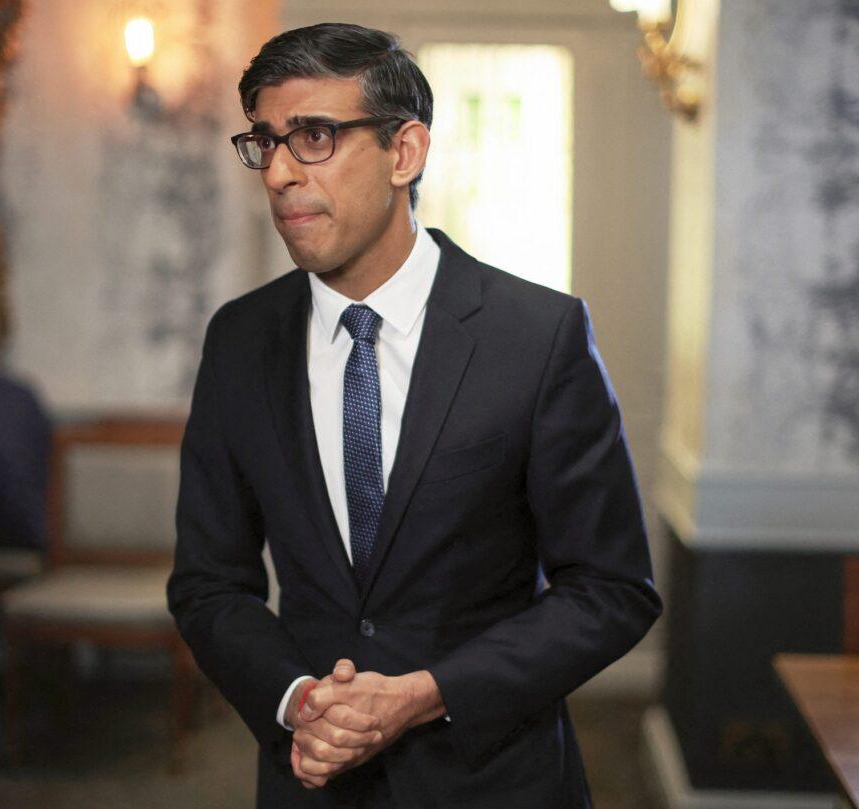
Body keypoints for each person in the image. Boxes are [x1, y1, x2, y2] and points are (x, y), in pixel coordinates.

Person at [167, 22, 661, 808]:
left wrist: (426, 692)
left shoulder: (537, 336)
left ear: (405, 153)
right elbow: (208, 582)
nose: (281, 173)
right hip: (313, 779)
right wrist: (299, 701)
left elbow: (611, 589)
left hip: (495, 779)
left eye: (316, 136)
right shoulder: (240, 339)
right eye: (266, 142)